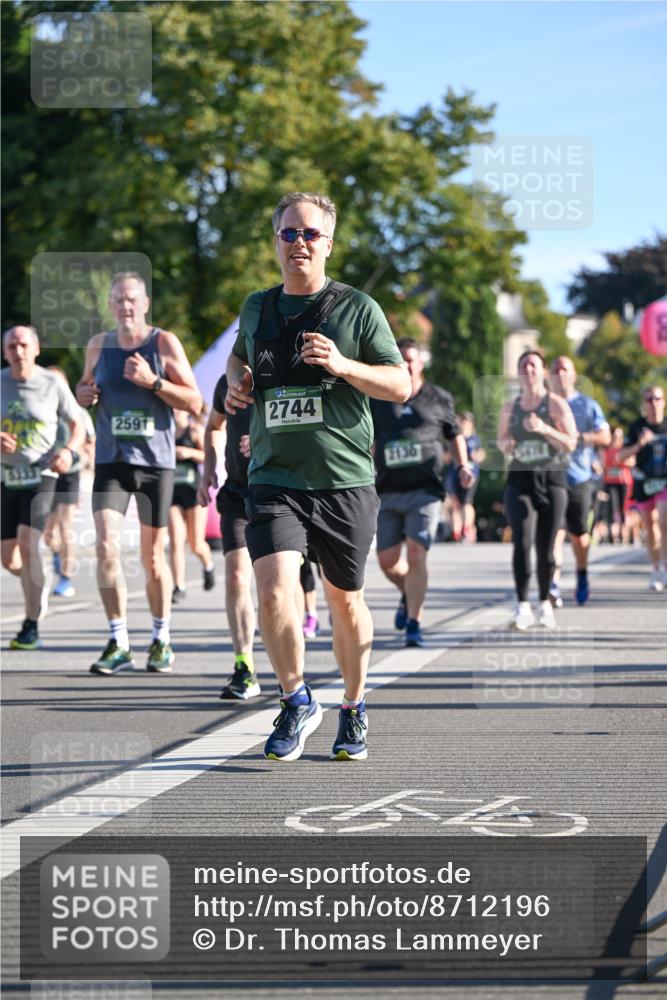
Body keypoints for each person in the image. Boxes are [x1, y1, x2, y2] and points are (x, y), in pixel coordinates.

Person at [224, 191, 410, 761]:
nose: (299, 243)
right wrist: (238, 380)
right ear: (276, 242)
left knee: (344, 601)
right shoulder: (257, 307)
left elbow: (400, 384)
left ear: (328, 243)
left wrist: (343, 365)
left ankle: (353, 707)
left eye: (310, 234)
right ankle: (296, 697)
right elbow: (240, 354)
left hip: (344, 480)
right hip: (274, 477)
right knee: (274, 584)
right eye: (289, 233)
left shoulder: (358, 308)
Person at [76, 272, 202, 674]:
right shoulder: (98, 345)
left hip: (155, 463)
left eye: (132, 299)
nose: (125, 306)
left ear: (145, 304)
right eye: (118, 300)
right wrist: (84, 395)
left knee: (151, 556)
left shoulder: (162, 343)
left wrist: (154, 382)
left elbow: (195, 400)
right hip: (112, 461)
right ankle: (118, 640)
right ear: (110, 306)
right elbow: (85, 389)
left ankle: (161, 638)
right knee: (107, 547)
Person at [371, 338, 474, 647]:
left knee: (417, 553)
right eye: (400, 359)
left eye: (411, 359)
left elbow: (454, 436)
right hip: (388, 489)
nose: (407, 364)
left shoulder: (438, 398)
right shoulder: (379, 397)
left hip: (425, 490)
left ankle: (414, 623)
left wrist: (463, 466)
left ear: (421, 363)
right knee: (387, 561)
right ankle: (408, 591)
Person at [1, 326, 84, 649]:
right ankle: (38, 580)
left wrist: (67, 451)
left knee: (28, 543)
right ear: (5, 351)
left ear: (35, 349)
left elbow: (78, 423)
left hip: (42, 474)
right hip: (6, 476)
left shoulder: (52, 383)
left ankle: (30, 623)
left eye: (23, 344)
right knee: (10, 558)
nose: (18, 350)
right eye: (11, 346)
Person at [497, 348, 577, 629]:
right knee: (522, 540)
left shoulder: (555, 404)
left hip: (553, 482)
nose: (528, 370)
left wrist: (544, 429)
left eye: (533, 365)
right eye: (523, 366)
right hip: (520, 482)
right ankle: (522, 605)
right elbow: (501, 439)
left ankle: (544, 602)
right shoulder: (511, 407)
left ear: (543, 371)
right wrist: (505, 444)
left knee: (546, 547)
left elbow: (571, 442)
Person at [198, 373, 260, 700]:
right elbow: (213, 425)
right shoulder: (227, 383)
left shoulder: (282, 373)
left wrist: (268, 439)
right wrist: (208, 467)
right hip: (236, 492)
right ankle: (244, 666)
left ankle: (292, 668)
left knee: (278, 584)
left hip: (279, 494)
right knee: (236, 577)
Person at [548, 356, 610, 606]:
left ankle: (582, 573)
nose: (561, 373)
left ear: (573, 375)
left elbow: (605, 437)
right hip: (552, 477)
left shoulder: (588, 405)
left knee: (579, 536)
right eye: (556, 369)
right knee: (554, 533)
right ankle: (553, 583)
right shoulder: (544, 404)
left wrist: (578, 436)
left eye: (565, 369)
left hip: (580, 477)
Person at [43, 366, 96, 598]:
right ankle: (59, 556)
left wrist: (91, 466)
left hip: (70, 473)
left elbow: (90, 441)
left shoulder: (77, 411)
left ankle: (65, 577)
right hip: (46, 473)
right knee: (47, 532)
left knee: (66, 526)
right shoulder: (40, 409)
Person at [617, 385, 667, 591]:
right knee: (650, 527)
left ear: (663, 402)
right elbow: (621, 456)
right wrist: (639, 444)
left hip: (665, 480)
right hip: (643, 482)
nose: (653, 403)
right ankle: (656, 570)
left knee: (664, 520)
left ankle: (665, 566)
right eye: (649, 399)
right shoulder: (636, 427)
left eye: (657, 399)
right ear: (644, 404)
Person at [169, 408, 215, 603]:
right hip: (172, 493)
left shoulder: (194, 431)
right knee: (176, 540)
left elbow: (208, 457)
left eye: (178, 407)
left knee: (195, 542)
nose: (174, 411)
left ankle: (208, 565)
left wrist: (188, 452)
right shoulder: (165, 431)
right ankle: (178, 586)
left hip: (193, 492)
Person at [445, 411, 486, 543]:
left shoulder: (475, 439)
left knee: (467, 502)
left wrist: (477, 456)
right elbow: (444, 457)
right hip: (454, 474)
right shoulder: (453, 438)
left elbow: (481, 454)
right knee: (455, 503)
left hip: (471, 473)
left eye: (466, 421)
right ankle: (456, 531)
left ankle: (467, 529)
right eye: (461, 421)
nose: (463, 423)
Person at [603, 426, 634, 544]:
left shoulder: (625, 449)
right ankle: (612, 534)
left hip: (624, 483)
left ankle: (624, 533)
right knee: (612, 507)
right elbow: (604, 465)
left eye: (619, 436)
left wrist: (621, 460)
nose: (617, 438)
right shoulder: (607, 450)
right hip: (611, 483)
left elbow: (632, 462)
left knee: (624, 508)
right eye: (615, 436)